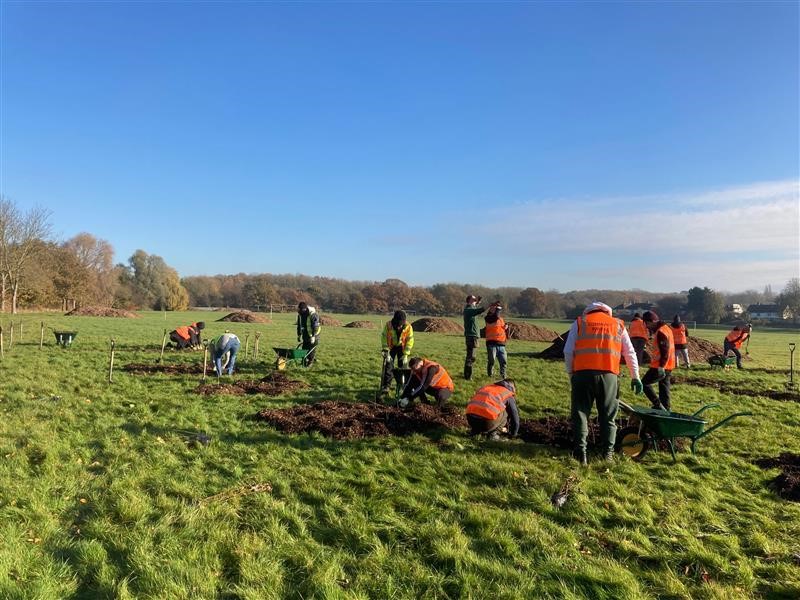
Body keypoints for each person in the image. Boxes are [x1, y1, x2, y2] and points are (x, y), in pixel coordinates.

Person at [564, 302, 642, 465]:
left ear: (588, 311)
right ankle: (607, 454)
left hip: (583, 375)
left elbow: (568, 351)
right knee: (608, 417)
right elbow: (629, 352)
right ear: (608, 312)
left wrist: (572, 373)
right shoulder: (618, 324)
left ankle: (581, 454)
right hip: (609, 377)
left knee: (580, 414)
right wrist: (635, 376)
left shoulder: (579, 322)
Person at [641, 310, 675, 411]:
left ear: (651, 321)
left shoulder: (661, 332)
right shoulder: (666, 329)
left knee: (644, 383)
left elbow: (665, 351)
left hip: (660, 366)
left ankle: (657, 404)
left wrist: (661, 366)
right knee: (664, 388)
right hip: (668, 365)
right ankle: (665, 408)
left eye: (646, 324)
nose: (646, 326)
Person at [380, 310, 415, 394]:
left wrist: (406, 354)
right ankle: (386, 386)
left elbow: (410, 340)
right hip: (391, 347)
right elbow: (384, 336)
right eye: (398, 324)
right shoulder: (388, 325)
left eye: (401, 324)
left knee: (402, 366)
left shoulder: (408, 327)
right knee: (388, 365)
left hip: (402, 347)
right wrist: (385, 350)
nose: (399, 326)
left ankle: (402, 385)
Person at [462, 295, 486, 380]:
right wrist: (489, 306)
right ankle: (468, 376)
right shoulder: (468, 310)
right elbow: (478, 310)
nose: (475, 300)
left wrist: (477, 302)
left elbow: (475, 307)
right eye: (473, 299)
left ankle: (467, 375)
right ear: (469, 301)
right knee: (471, 357)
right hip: (472, 336)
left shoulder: (470, 309)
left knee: (470, 356)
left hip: (472, 336)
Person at [484, 302, 509, 379]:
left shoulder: (500, 319)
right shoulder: (488, 318)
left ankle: (503, 375)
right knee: (491, 361)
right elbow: (495, 318)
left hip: (501, 344)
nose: (496, 309)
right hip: (491, 343)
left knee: (503, 361)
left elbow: (501, 327)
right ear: (490, 309)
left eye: (497, 308)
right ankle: (490, 375)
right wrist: (498, 309)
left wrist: (506, 327)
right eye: (494, 308)